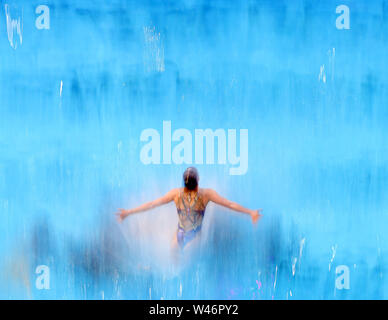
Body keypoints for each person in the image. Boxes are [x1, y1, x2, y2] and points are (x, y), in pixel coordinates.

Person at [115, 167, 262, 250]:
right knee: (178, 264)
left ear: (184, 183)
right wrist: (250, 213)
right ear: (198, 181)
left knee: (179, 263)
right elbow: (229, 204)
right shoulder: (206, 194)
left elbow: (152, 204)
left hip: (185, 234)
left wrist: (128, 212)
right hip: (189, 234)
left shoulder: (177, 194)